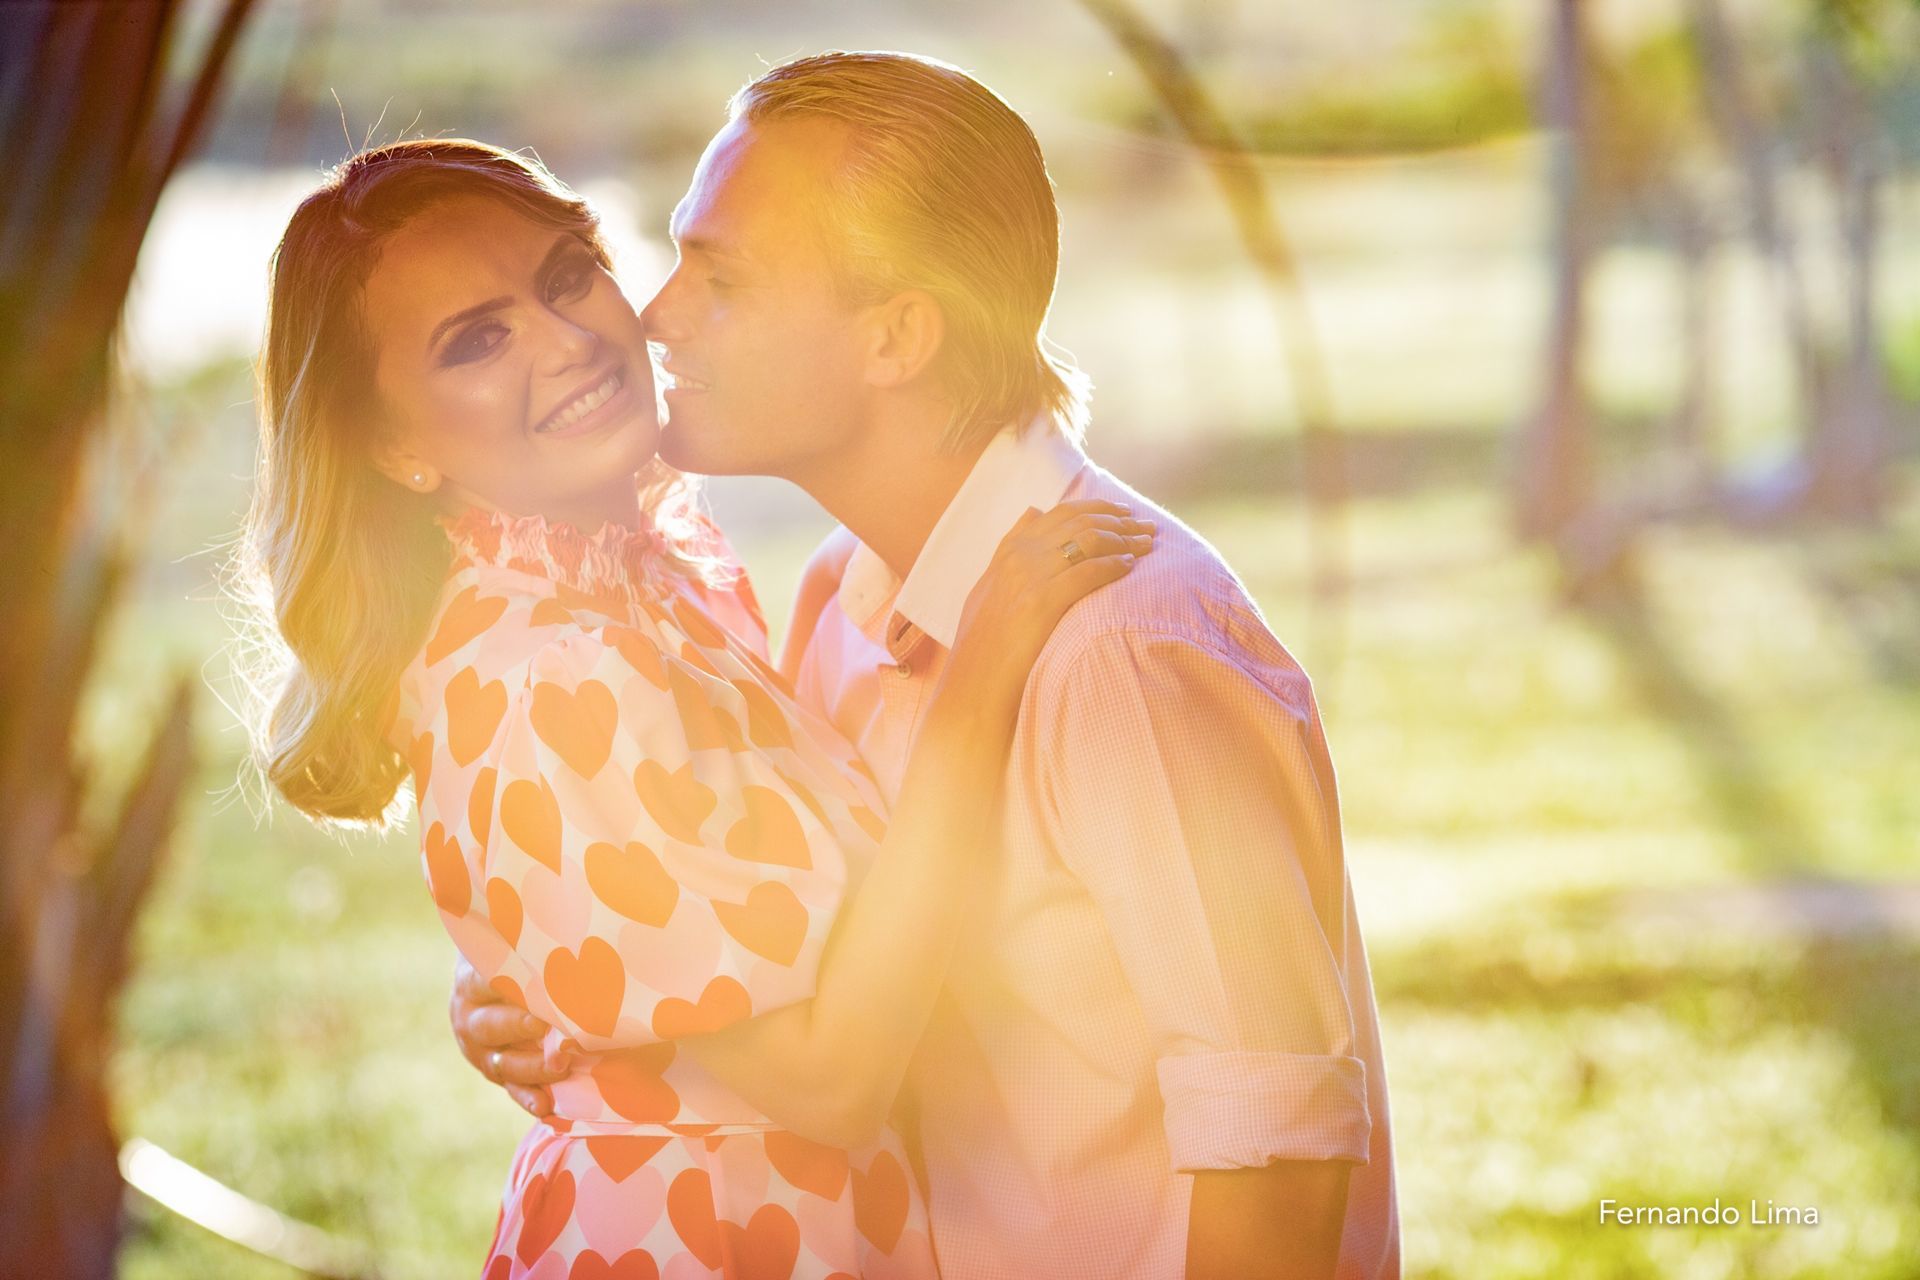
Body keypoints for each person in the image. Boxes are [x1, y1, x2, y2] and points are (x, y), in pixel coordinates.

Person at [458, 51, 1400, 1280]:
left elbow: (1277, 1152)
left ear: (898, 334)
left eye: (722, 275)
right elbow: (807, 971)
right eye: (679, 253)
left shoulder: (1128, 645)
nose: (654, 313)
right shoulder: (836, 604)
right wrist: (563, 981)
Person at [237, 137, 1155, 1278]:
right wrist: (987, 673)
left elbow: (672, 905)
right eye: (477, 340)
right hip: (713, 1240)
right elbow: (831, 1078)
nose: (569, 341)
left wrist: (540, 966)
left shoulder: (629, 587)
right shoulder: (551, 669)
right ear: (392, 444)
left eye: (567, 274)